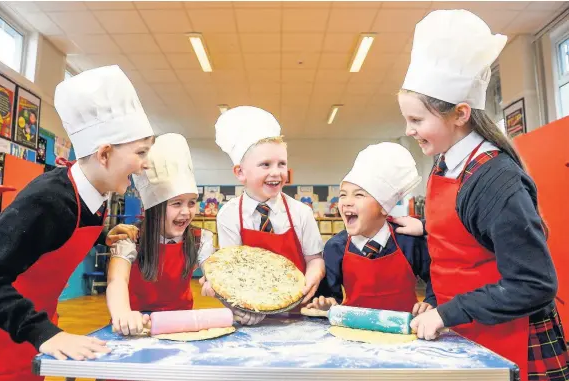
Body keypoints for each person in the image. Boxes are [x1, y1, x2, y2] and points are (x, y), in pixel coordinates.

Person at [395, 10, 568, 381]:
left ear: (459, 114)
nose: (409, 130)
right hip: (470, 331)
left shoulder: (495, 179)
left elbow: (534, 284)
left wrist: (446, 313)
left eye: (417, 121)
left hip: (512, 338)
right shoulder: (445, 164)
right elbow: (468, 241)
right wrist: (425, 231)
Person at [0, 65, 155, 380]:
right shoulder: (47, 200)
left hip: (34, 336)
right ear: (104, 154)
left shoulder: (95, 193)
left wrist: (103, 237)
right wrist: (44, 332)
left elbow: (60, 235)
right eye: (140, 152)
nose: (146, 163)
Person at [201, 106, 325, 325]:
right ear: (240, 172)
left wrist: (311, 279)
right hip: (252, 312)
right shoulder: (229, 215)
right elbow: (232, 269)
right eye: (265, 164)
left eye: (282, 164)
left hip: (299, 315)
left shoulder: (301, 212)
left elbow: (314, 259)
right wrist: (239, 307)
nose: (276, 172)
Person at [308, 143, 436, 316]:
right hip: (353, 329)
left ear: (384, 207)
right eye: (343, 194)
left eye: (359, 195)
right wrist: (326, 303)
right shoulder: (335, 247)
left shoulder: (408, 240)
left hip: (405, 329)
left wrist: (430, 302)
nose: (346, 201)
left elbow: (435, 278)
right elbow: (331, 295)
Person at [107, 133, 215, 336]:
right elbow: (117, 280)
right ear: (155, 208)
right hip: (137, 324)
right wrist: (122, 313)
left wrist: (213, 281)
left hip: (180, 326)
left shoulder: (201, 239)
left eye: (191, 202)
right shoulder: (131, 238)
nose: (186, 212)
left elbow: (214, 271)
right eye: (176, 203)